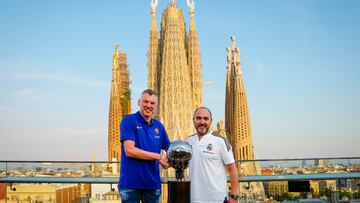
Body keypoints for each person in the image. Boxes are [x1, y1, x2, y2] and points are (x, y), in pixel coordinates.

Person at [118, 89, 170, 203]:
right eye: (145, 102)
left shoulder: (159, 126)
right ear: (139, 103)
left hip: (152, 185)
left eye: (152, 103)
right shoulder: (129, 121)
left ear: (155, 106)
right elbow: (130, 151)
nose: (148, 106)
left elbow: (170, 149)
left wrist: (173, 161)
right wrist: (157, 156)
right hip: (130, 185)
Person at [186, 107, 240, 203]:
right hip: (193, 198)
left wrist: (234, 196)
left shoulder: (220, 141)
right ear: (193, 120)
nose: (202, 122)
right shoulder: (189, 141)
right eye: (198, 118)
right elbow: (181, 162)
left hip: (216, 199)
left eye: (206, 118)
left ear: (211, 121)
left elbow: (232, 169)